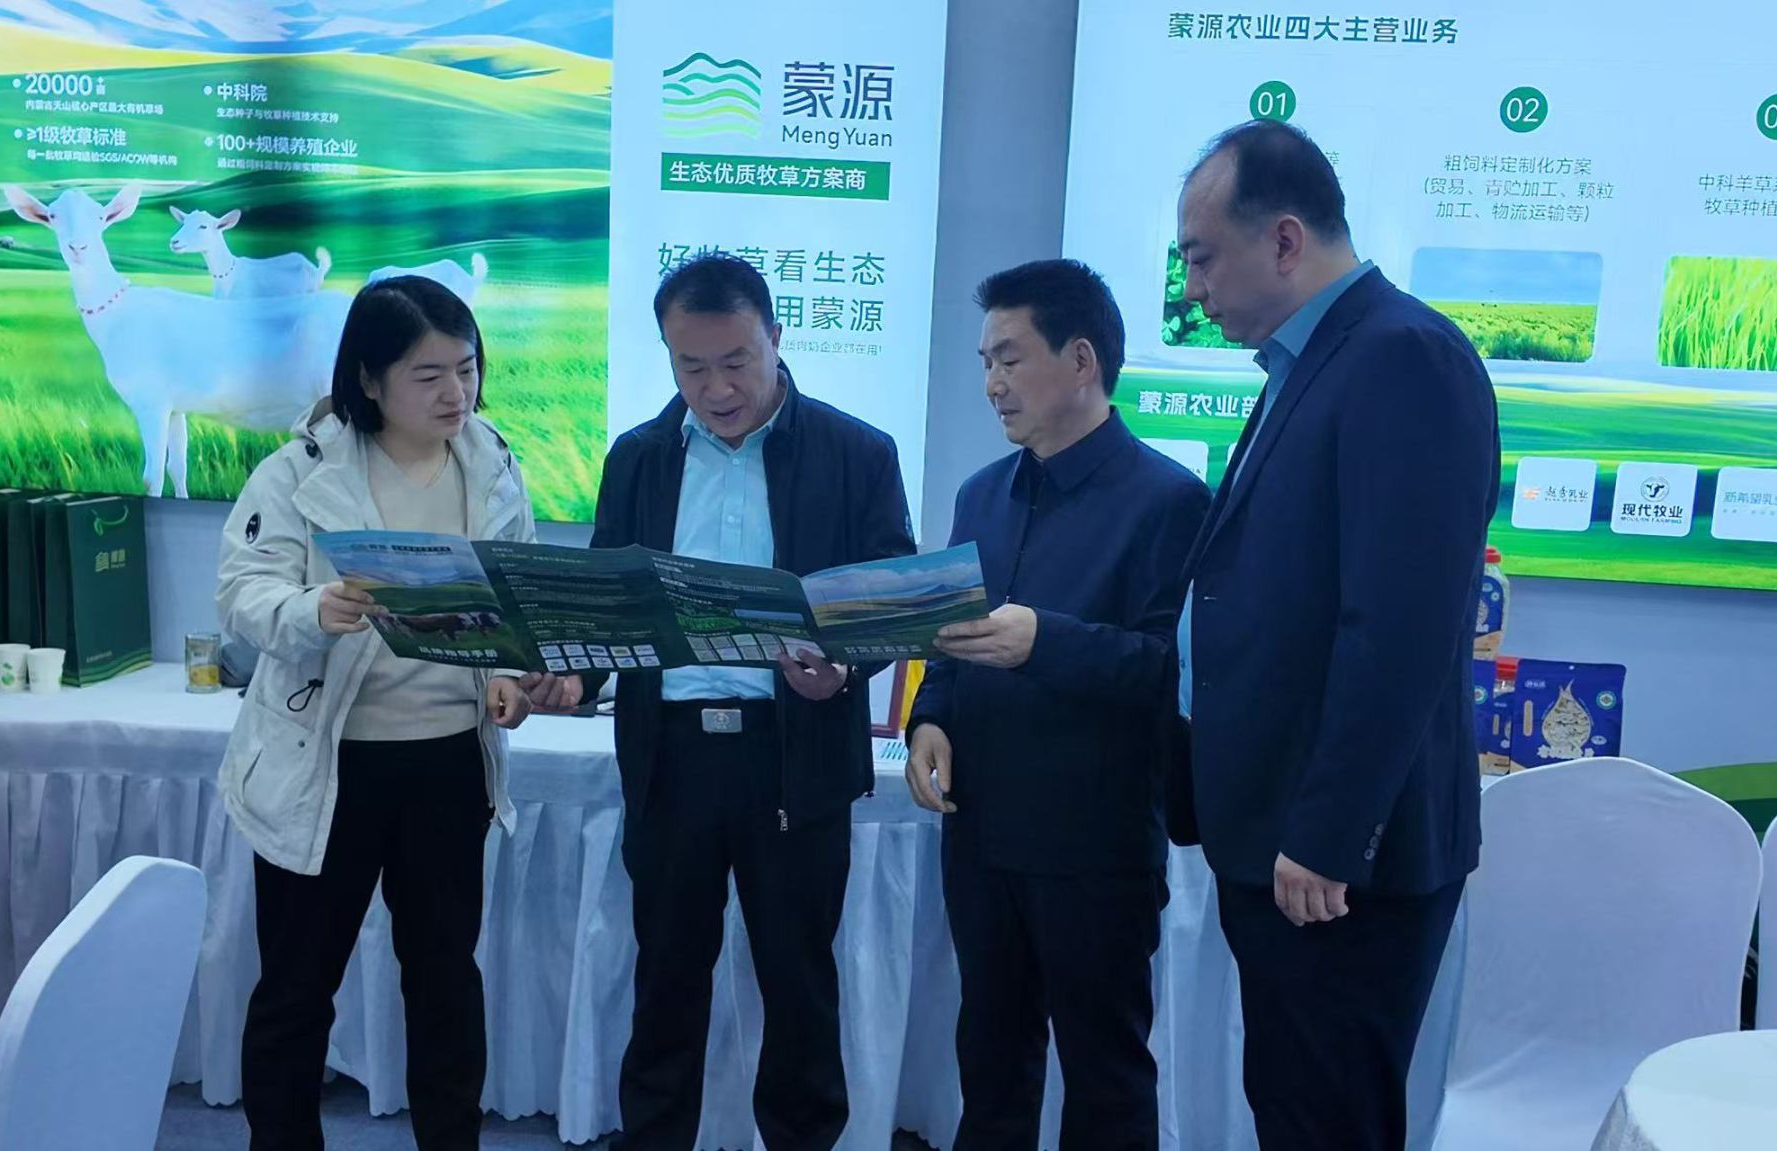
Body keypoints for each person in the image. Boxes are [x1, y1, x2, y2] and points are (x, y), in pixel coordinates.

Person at [524, 253, 914, 1150]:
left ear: (776, 337)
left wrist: (842, 668)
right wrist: (577, 673)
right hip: (673, 757)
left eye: (736, 360)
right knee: (664, 980)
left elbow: (888, 603)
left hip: (794, 754)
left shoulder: (858, 453)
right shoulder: (639, 458)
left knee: (799, 984)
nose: (717, 388)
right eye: (691, 366)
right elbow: (609, 606)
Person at [1172, 119, 1499, 1151]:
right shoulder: (1307, 361)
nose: (1193, 290)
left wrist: (1326, 830)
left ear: (1282, 240)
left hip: (1337, 858)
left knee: (1327, 1120)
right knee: (1294, 1106)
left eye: (1201, 258)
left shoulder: (1401, 356)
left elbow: (1399, 626)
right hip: (1279, 829)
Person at [216, 276, 539, 1151]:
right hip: (329, 764)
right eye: (428, 375)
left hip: (448, 762)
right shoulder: (299, 470)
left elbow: (514, 596)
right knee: (297, 985)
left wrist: (509, 674)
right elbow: (242, 592)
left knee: (444, 979)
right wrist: (312, 609)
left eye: (466, 368)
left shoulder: (493, 462)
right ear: (368, 378)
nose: (456, 393)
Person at [905, 259, 1211, 1149]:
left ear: (1081, 360)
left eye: (1010, 358)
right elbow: (954, 638)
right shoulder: (980, 495)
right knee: (990, 1064)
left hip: (1095, 845)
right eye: (985, 362)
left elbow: (1172, 672)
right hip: (981, 831)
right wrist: (931, 717)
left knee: (1105, 1079)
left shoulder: (1170, 501)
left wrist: (1046, 640)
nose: (992, 384)